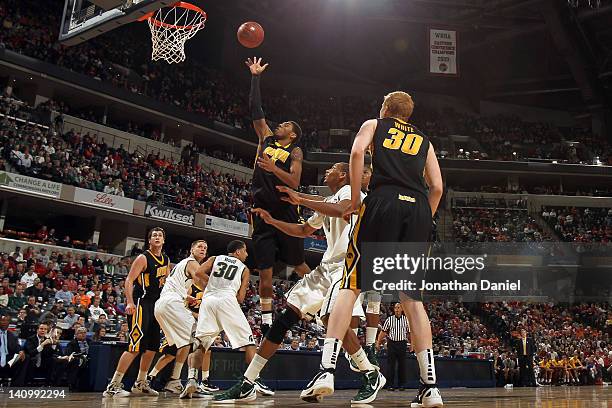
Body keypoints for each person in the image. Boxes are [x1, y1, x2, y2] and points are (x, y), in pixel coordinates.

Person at [302, 91, 444, 408]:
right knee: (412, 300)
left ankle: (326, 370)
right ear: (407, 114)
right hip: (418, 209)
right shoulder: (425, 140)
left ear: (385, 109)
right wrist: (425, 218)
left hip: (384, 202)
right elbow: (437, 186)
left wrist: (355, 200)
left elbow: (356, 153)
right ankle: (430, 387)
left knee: (352, 286)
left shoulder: (375, 124)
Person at [216, 164, 382, 404]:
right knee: (285, 319)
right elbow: (304, 229)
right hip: (327, 267)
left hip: (349, 264)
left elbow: (342, 209)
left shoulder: (350, 192)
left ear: (344, 175)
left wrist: (299, 198)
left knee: (330, 318)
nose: (326, 172)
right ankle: (247, 382)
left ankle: (362, 373)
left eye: (332, 169)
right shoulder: (329, 200)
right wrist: (272, 222)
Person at [245, 57, 310, 336]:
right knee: (265, 271)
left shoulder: (295, 152)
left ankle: (326, 296)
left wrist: (273, 168)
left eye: (285, 124)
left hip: (284, 210)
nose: (279, 125)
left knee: (299, 264)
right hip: (262, 209)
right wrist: (255, 77)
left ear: (293, 134)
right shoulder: (267, 138)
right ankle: (268, 320)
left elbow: (295, 181)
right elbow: (255, 110)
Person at [103, 227, 170, 397]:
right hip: (141, 303)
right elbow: (129, 280)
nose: (157, 237)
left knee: (152, 348)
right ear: (149, 240)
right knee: (135, 346)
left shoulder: (166, 259)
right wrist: (130, 302)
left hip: (157, 306)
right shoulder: (143, 258)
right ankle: (113, 385)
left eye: (160, 235)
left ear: (163, 240)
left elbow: (166, 284)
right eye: (154, 235)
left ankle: (140, 383)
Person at [194, 241, 257, 400]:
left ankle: (192, 381)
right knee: (249, 342)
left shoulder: (215, 258)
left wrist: (213, 283)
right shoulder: (244, 269)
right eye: (245, 251)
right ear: (237, 252)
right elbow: (241, 298)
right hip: (227, 299)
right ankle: (253, 382)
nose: (246, 254)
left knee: (202, 343)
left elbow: (199, 272)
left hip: (208, 300)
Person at [152, 240, 210, 399]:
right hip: (172, 304)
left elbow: (180, 286)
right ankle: (194, 382)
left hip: (163, 305)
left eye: (205, 248)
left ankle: (173, 380)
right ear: (191, 249)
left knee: (185, 344)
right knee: (199, 339)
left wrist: (187, 297)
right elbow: (201, 281)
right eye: (199, 246)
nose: (203, 249)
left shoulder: (182, 265)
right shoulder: (192, 263)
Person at [377, 303, 410, 390]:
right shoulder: (389, 319)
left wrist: (412, 344)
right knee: (390, 365)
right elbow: (383, 332)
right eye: (395, 308)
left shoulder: (406, 320)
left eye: (398, 308)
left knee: (402, 365)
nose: (396, 309)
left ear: (402, 309)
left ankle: (401, 385)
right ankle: (390, 385)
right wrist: (378, 343)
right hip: (392, 343)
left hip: (402, 343)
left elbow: (410, 333)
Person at [0, 315, 26, 384]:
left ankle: (16, 384)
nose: (4, 322)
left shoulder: (12, 335)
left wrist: (20, 351)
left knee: (25, 357)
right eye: (2, 320)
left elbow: (16, 346)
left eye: (7, 321)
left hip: (9, 361)